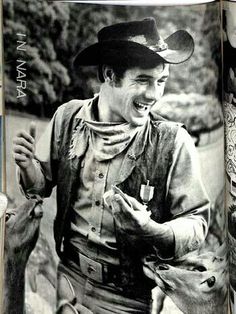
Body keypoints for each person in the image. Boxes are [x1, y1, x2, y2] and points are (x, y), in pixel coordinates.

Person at [13, 17, 209, 314]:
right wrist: (28, 166)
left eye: (161, 81)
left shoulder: (174, 143)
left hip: (128, 301)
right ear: (109, 75)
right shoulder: (66, 118)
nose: (154, 95)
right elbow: (39, 184)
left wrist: (152, 230)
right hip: (67, 281)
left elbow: (196, 224)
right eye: (143, 80)